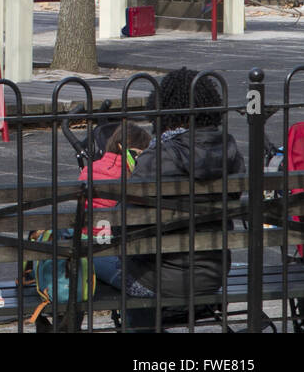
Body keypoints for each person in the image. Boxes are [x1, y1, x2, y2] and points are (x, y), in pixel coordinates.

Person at [94, 69, 245, 331]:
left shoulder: (157, 158)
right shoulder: (230, 151)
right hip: (213, 274)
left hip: (158, 280)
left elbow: (122, 226)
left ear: (163, 110)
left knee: (86, 254)